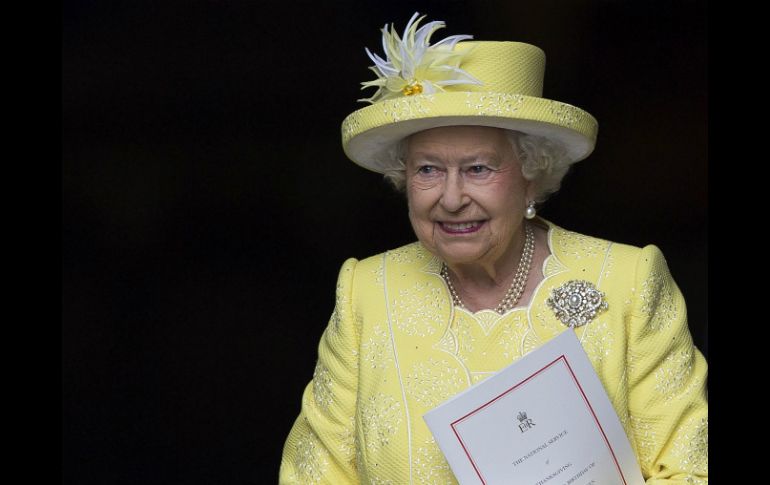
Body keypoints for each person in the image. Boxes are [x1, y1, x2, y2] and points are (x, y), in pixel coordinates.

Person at [279, 12, 707, 484]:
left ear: (531, 175)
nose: (452, 197)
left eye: (479, 169)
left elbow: (691, 469)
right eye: (428, 170)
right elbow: (315, 474)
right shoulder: (365, 292)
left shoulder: (627, 282)